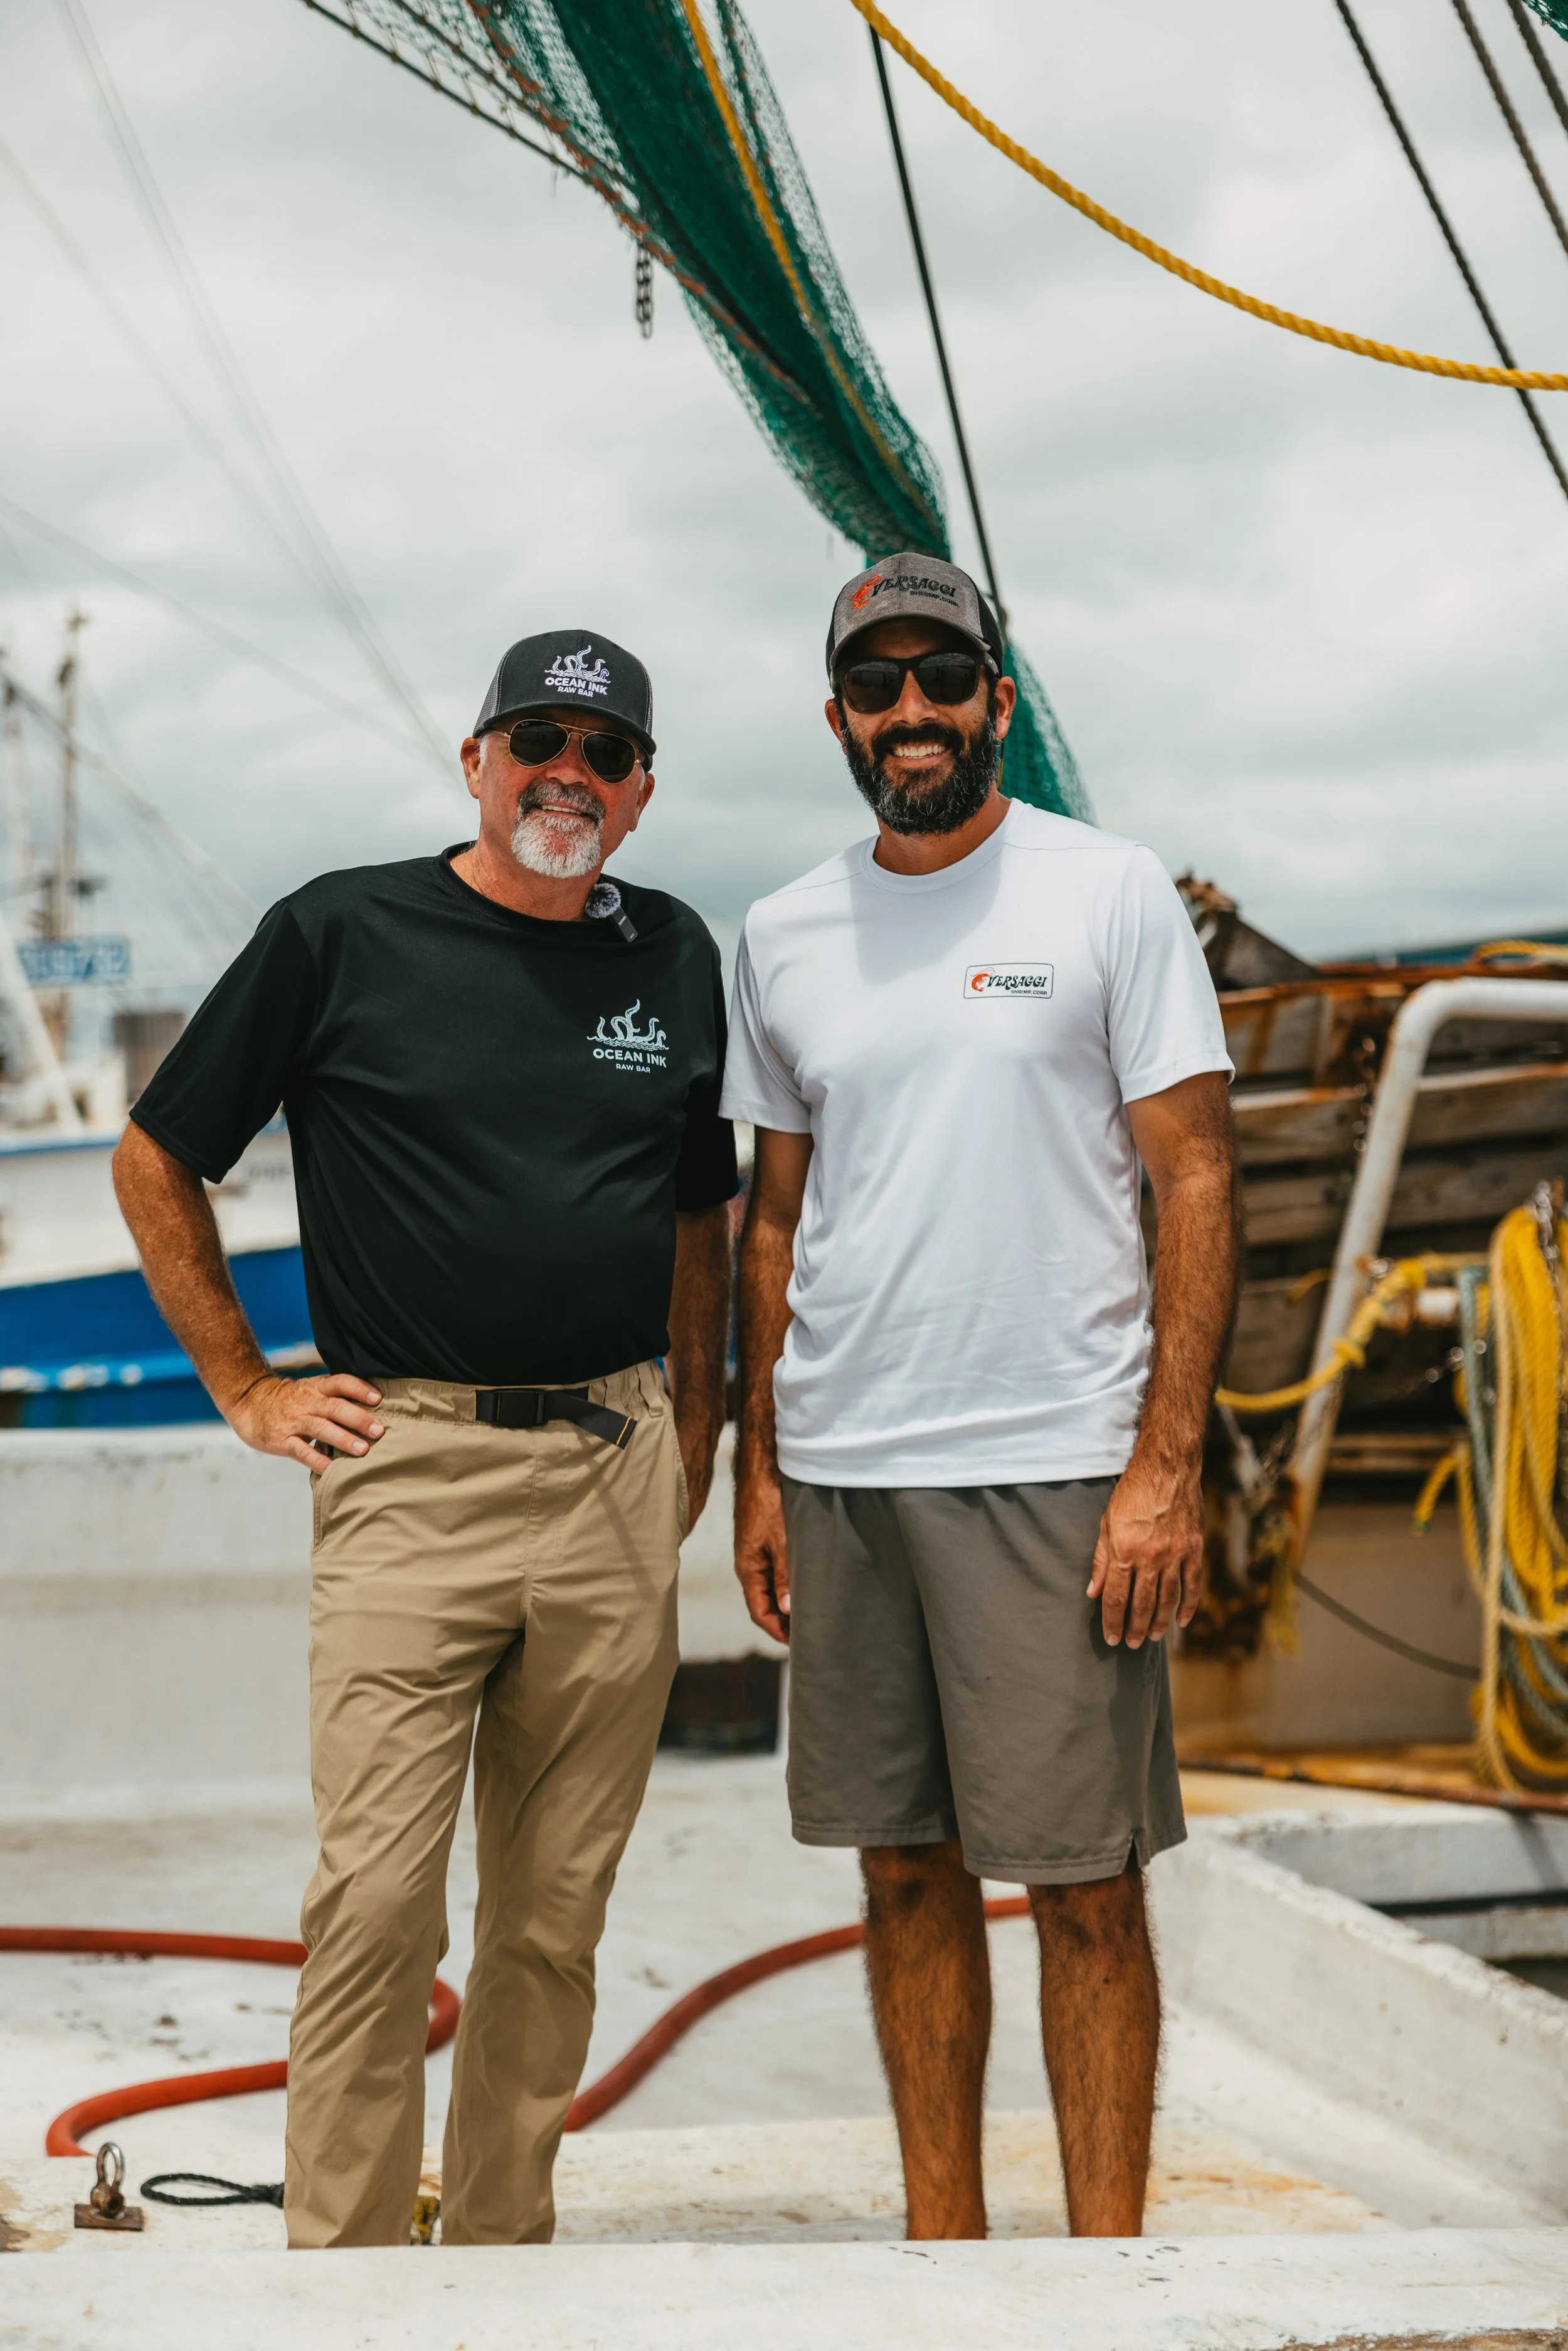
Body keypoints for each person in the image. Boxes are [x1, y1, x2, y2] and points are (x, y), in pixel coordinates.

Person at [112, 629, 736, 2248]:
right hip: (413, 1469)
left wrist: (699, 1427)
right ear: (474, 760)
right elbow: (157, 1154)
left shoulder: (672, 951)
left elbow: (696, 1220)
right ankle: (346, 2266)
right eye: (537, 737)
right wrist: (245, 1386)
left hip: (616, 1466)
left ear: (642, 790)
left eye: (606, 753)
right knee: (378, 1899)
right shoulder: (340, 929)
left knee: (553, 1915)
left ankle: (501, 2253)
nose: (568, 774)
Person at [724, 555, 1239, 2241]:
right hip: (849, 1471)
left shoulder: (1103, 895)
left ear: (995, 699)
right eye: (875, 686)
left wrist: (1164, 1468)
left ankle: (1103, 2281)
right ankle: (942, 2264)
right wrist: (760, 1474)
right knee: (899, 1867)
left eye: (941, 678)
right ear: (838, 719)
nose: (911, 712)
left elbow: (1196, 1185)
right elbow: (778, 1221)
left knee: (1083, 1886)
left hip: (1053, 1467)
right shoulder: (783, 931)